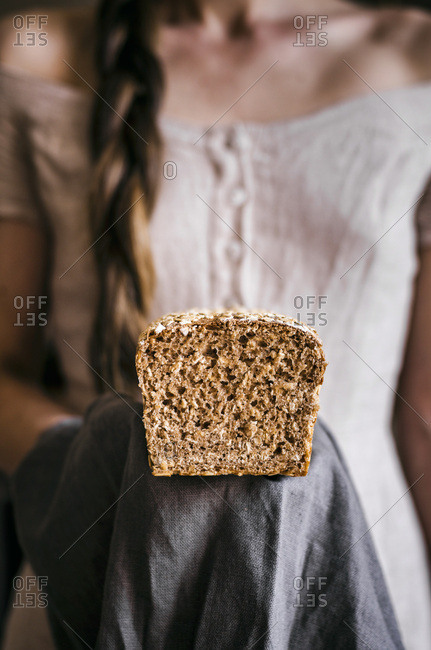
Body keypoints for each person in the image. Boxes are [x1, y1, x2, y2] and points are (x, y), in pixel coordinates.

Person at [0, 0, 430, 646]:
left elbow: (423, 411)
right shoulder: (41, 51)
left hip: (361, 571)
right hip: (113, 566)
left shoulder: (411, 55)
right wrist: (106, 455)